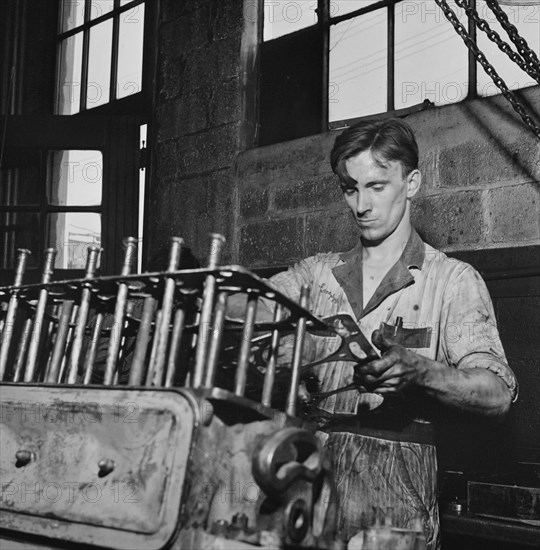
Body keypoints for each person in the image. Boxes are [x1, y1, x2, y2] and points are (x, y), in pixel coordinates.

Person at [233, 118, 517, 549]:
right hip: (307, 489)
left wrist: (422, 373)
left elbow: (496, 394)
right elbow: (250, 307)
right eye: (351, 188)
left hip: (395, 504)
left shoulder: (452, 281)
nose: (361, 205)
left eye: (377, 186)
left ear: (412, 182)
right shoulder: (316, 276)